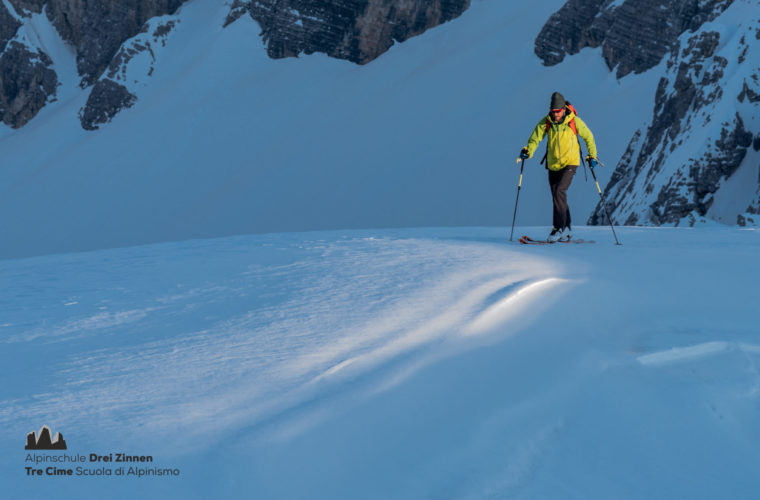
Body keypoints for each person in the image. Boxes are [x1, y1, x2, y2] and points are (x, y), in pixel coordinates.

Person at [519, 92, 598, 242]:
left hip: (570, 162)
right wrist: (527, 151)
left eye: (557, 111)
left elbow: (589, 137)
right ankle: (567, 228)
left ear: (563, 109)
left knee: (559, 192)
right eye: (552, 111)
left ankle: (558, 228)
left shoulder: (574, 121)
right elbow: (535, 139)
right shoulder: (546, 122)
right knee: (557, 196)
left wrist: (592, 156)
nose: (555, 114)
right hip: (553, 164)